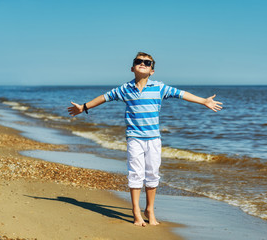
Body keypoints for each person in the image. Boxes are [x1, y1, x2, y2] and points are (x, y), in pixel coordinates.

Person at [68, 52, 222, 227]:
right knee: (136, 174)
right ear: (132, 68)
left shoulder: (159, 87)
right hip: (134, 138)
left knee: (152, 174)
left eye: (147, 63)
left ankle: (150, 209)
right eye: (139, 62)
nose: (143, 64)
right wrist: (84, 107)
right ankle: (136, 211)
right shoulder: (124, 89)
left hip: (154, 139)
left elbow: (182, 94)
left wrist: (203, 101)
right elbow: (104, 97)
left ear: (152, 71)